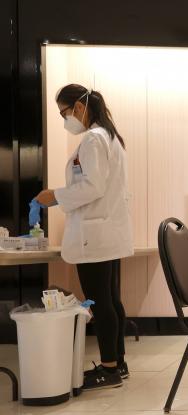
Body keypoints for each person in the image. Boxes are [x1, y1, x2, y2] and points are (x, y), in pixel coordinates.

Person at [35, 84, 134, 391]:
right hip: (106, 232)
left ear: (79, 107)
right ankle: (118, 362)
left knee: (102, 303)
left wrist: (54, 196)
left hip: (95, 235)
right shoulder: (109, 137)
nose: (65, 119)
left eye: (64, 112)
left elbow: (93, 187)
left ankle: (109, 369)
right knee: (111, 301)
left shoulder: (93, 140)